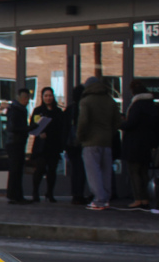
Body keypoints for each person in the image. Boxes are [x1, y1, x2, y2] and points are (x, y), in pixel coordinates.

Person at [76, 76, 122, 210]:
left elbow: (83, 122)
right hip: (106, 141)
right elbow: (117, 122)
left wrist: (80, 137)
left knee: (93, 171)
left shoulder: (86, 101)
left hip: (90, 141)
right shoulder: (110, 100)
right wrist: (110, 133)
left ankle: (99, 199)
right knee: (106, 170)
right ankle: (106, 198)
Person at [119, 79, 157, 209]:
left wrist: (120, 123)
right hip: (147, 144)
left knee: (134, 171)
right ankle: (146, 199)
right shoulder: (152, 105)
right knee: (144, 172)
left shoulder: (137, 105)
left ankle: (138, 199)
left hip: (134, 143)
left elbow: (131, 124)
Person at [28, 86, 65, 202]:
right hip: (41, 145)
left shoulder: (58, 112)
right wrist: (40, 133)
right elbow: (33, 126)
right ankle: (35, 192)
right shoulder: (38, 110)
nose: (48, 98)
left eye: (50, 96)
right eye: (46, 96)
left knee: (52, 170)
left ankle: (50, 193)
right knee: (39, 169)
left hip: (53, 145)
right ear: (42, 97)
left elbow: (61, 128)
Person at [4, 88, 32, 204]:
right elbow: (13, 128)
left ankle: (17, 195)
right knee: (15, 170)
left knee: (18, 169)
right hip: (14, 143)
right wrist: (29, 128)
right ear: (19, 98)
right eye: (25, 98)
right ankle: (14, 195)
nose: (27, 100)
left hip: (18, 142)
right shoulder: (15, 110)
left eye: (28, 98)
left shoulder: (20, 110)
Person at [64, 84, 89, 204]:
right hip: (81, 143)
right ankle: (79, 194)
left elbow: (64, 128)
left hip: (71, 144)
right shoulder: (84, 108)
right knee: (81, 170)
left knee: (75, 170)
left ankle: (76, 194)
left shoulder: (69, 109)